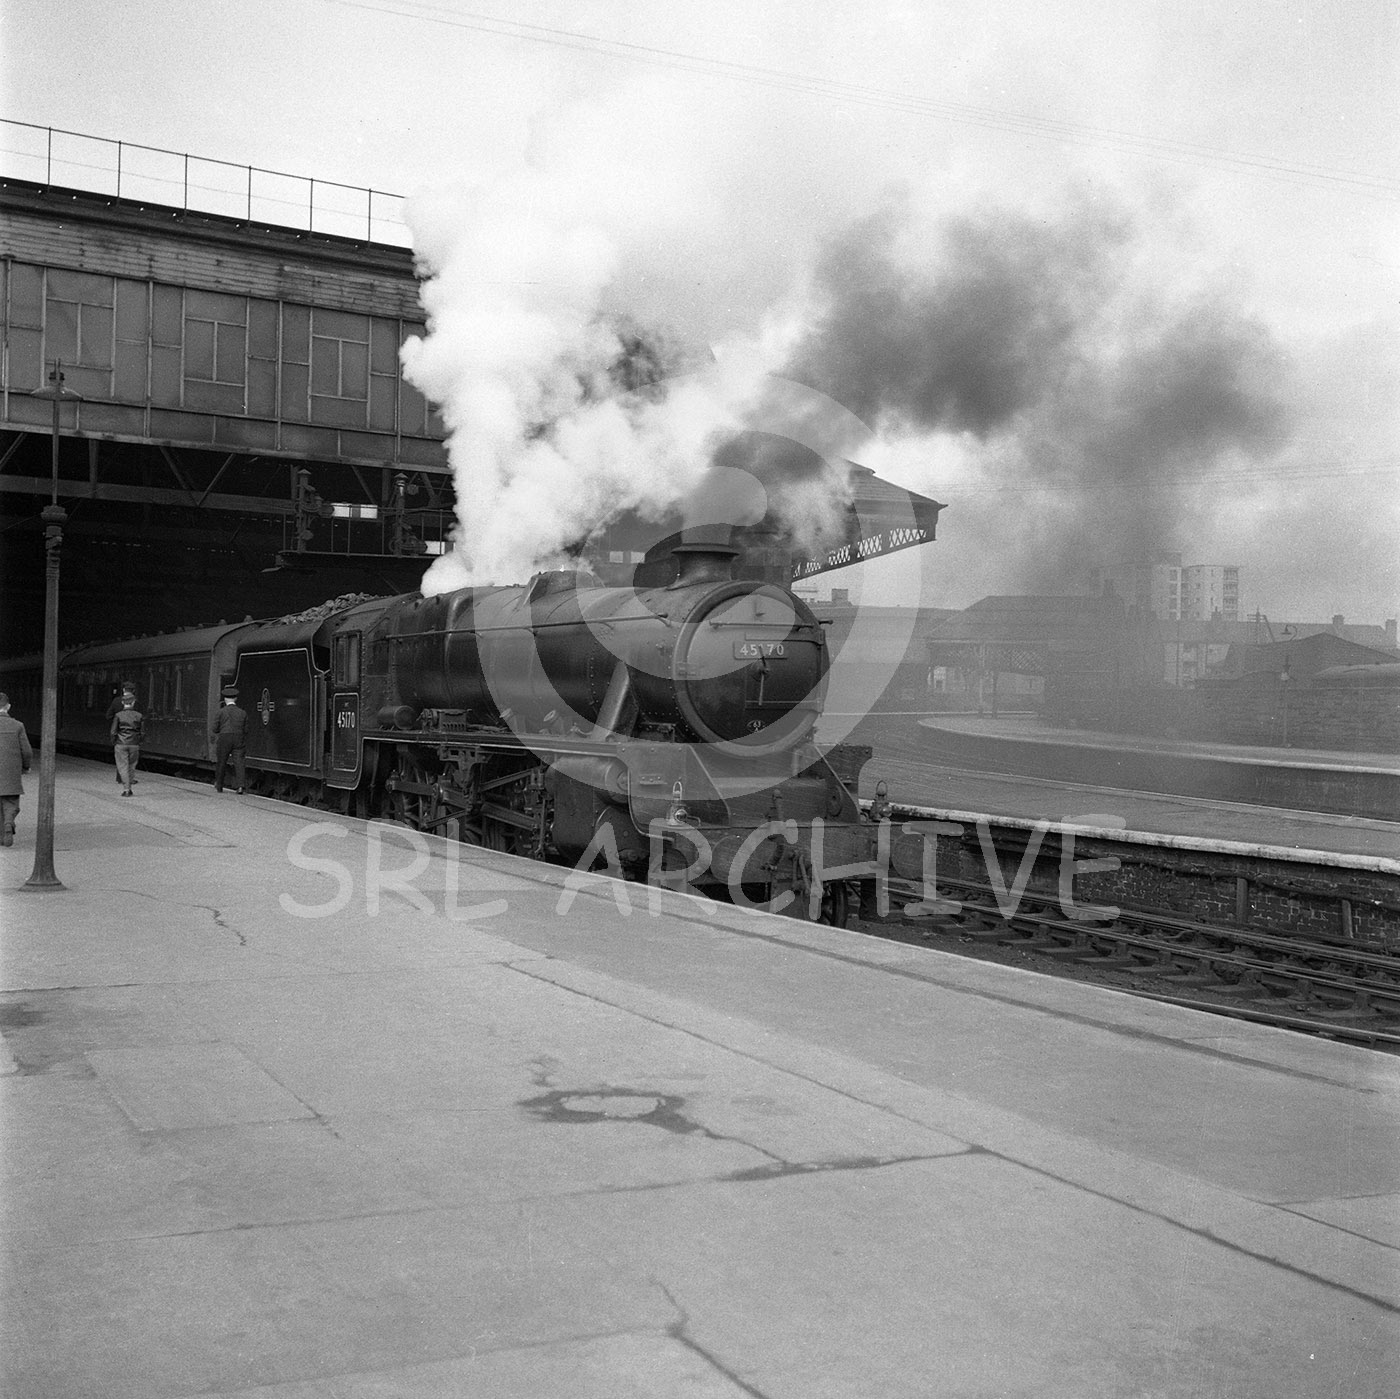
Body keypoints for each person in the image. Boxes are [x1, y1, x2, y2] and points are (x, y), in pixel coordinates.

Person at [0, 693, 34, 847]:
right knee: (11, 802)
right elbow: (26, 751)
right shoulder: (18, 725)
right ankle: (8, 823)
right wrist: (26, 767)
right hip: (10, 774)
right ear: (8, 707)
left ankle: (2, 833)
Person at [211, 688, 248, 794]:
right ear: (235, 699)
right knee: (239, 762)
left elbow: (215, 729)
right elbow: (246, 729)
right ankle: (240, 786)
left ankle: (219, 785)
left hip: (224, 738)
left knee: (221, 761)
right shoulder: (242, 712)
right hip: (238, 738)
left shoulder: (221, 712)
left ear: (225, 699)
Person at [110, 694, 144, 797]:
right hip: (134, 744)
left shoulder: (118, 715)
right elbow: (142, 732)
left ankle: (126, 789)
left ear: (122, 703)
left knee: (122, 767)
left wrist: (114, 742)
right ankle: (130, 788)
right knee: (132, 766)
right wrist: (139, 742)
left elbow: (113, 732)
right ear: (133, 702)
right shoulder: (139, 715)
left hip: (121, 744)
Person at [105, 684, 139, 783]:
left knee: (121, 758)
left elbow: (108, 716)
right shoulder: (136, 703)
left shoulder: (116, 701)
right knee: (131, 760)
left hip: (120, 734)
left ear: (123, 690)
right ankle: (128, 780)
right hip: (132, 735)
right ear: (133, 691)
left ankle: (120, 778)